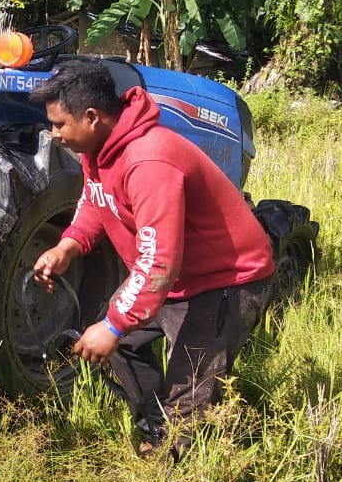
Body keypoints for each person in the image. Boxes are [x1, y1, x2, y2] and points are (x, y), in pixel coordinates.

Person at [29, 57, 274, 457]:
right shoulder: (99, 149)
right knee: (121, 344)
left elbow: (158, 262)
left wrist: (113, 323)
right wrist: (68, 246)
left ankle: (176, 474)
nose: (53, 134)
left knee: (190, 387)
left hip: (225, 280)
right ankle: (156, 431)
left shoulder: (148, 159)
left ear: (91, 117)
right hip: (175, 280)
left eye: (59, 124)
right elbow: (96, 202)